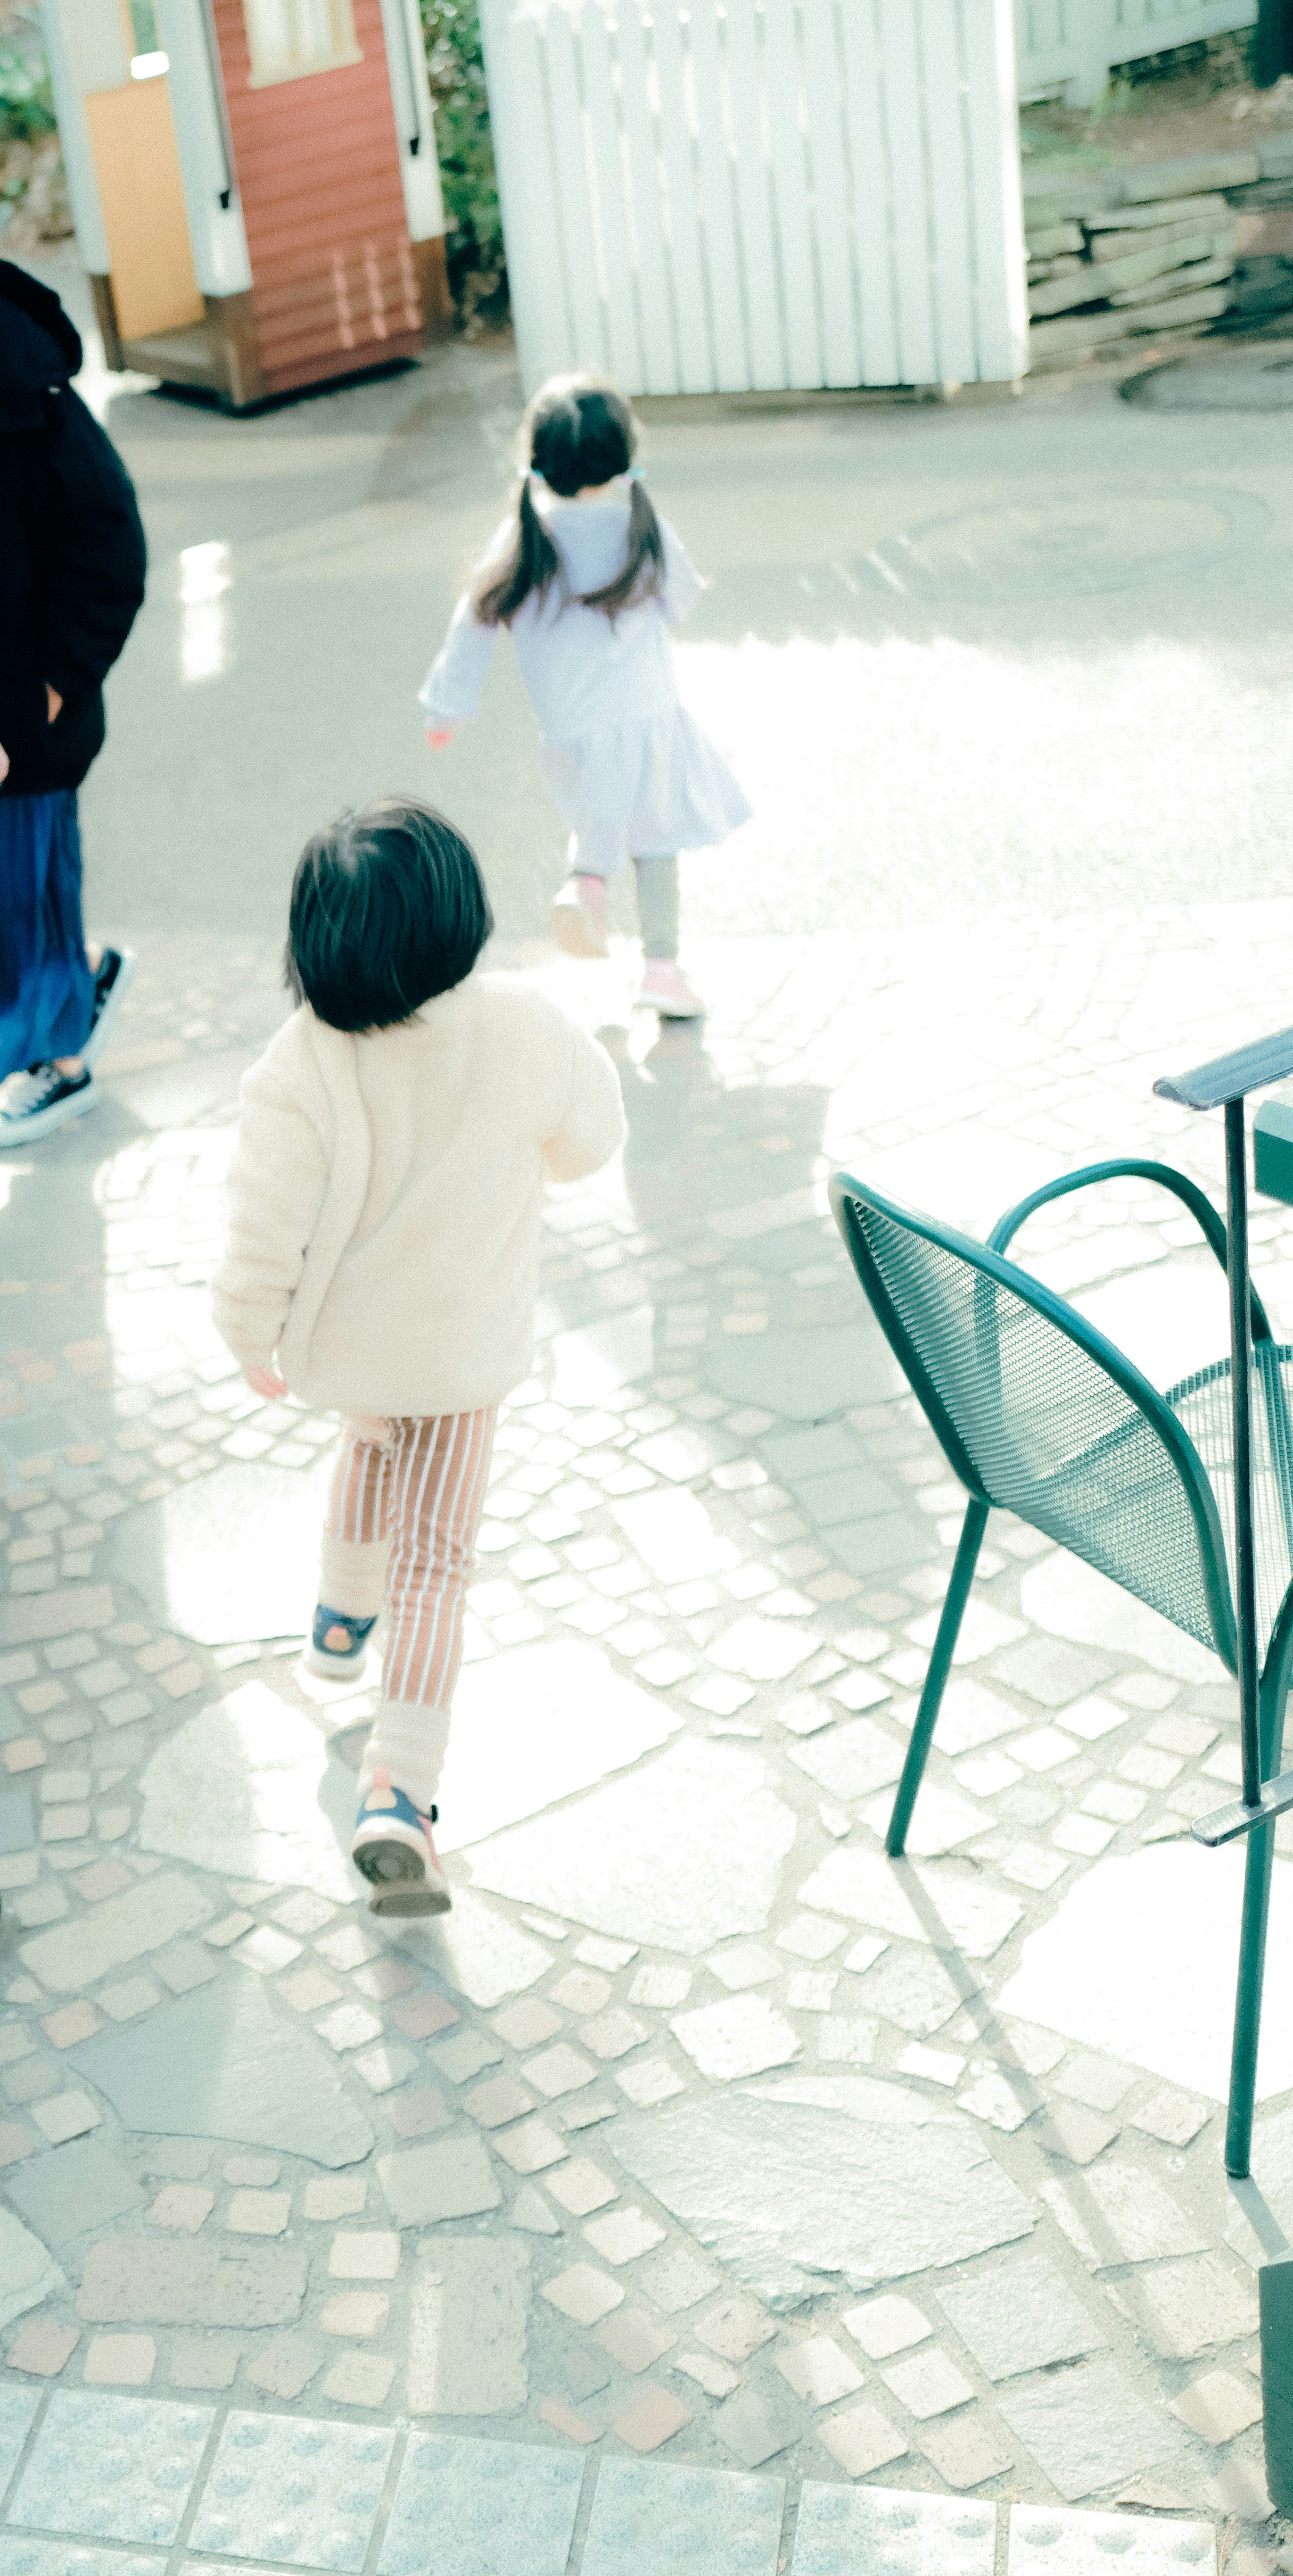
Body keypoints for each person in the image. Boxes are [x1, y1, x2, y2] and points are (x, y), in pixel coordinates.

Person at [209, 799, 625, 1916]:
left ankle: (340, 1623)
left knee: (368, 1440)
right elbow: (593, 1142)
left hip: (347, 1351)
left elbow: (261, 1228)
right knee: (436, 1562)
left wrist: (252, 1336)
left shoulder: (299, 1062)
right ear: (461, 917)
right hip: (461, 1356)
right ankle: (399, 1792)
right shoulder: (525, 1026)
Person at [419, 375, 748, 1024]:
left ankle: (589, 885)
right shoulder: (643, 526)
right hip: (648, 719)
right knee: (657, 842)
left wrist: (450, 706)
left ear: (538, 462)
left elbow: (474, 621)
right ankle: (659, 965)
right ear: (626, 457)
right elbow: (682, 602)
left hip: (567, 734)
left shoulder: (524, 535)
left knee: (600, 815)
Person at [0, 227, 145, 1145]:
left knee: (13, 883)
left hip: (25, 707)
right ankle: (82, 974)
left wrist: (58, 684)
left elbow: (111, 544)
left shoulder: (23, 388)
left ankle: (55, 1063)